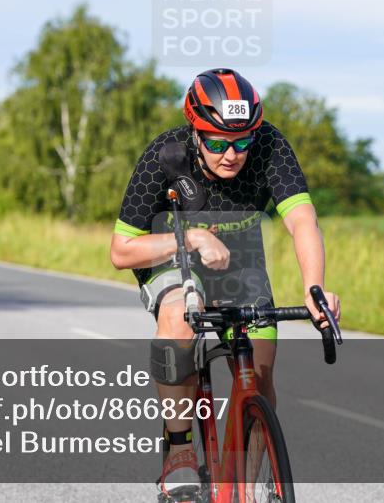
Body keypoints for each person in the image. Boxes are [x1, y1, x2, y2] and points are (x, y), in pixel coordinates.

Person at [109, 68, 341, 495]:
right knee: (180, 314)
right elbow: (121, 251)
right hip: (172, 254)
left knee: (261, 373)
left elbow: (302, 220)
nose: (231, 153)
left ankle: (248, 482)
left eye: (241, 141)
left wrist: (315, 287)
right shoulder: (165, 153)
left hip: (241, 255)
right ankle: (179, 450)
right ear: (195, 132)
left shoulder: (270, 145)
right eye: (217, 142)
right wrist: (191, 239)